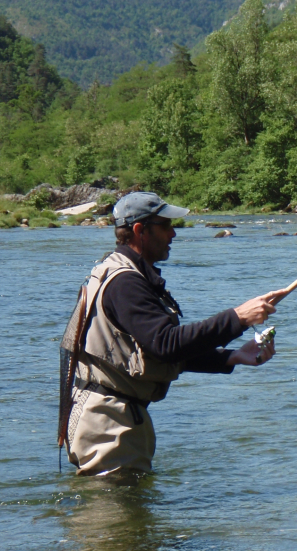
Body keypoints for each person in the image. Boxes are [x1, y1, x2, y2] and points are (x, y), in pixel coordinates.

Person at [63, 191, 285, 479]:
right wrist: (238, 318)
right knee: (113, 520)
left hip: (108, 416)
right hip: (109, 425)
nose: (173, 234)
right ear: (140, 230)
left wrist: (232, 357)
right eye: (166, 226)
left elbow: (149, 351)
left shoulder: (119, 271)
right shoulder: (126, 283)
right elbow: (166, 343)